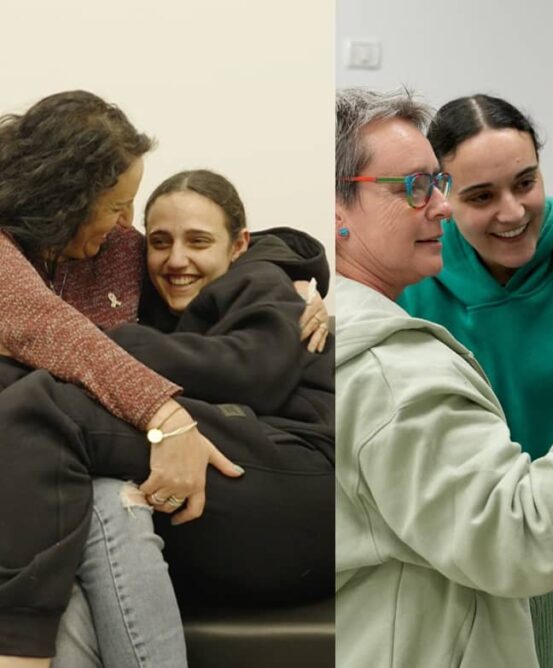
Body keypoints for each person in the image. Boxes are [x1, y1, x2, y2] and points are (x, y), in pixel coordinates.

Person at [334, 88, 553, 668]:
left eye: (526, 182)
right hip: (494, 578)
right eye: (479, 196)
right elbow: (511, 531)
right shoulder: (413, 279)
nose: (513, 212)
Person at [0, 91, 327, 665]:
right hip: (49, 469)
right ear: (66, 199)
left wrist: (292, 273)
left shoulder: (132, 254)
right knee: (98, 494)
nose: (125, 225)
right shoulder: (32, 258)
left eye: (131, 208)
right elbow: (47, 327)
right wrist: (161, 413)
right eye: (115, 207)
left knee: (56, 422)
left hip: (285, 460)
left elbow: (242, 267)